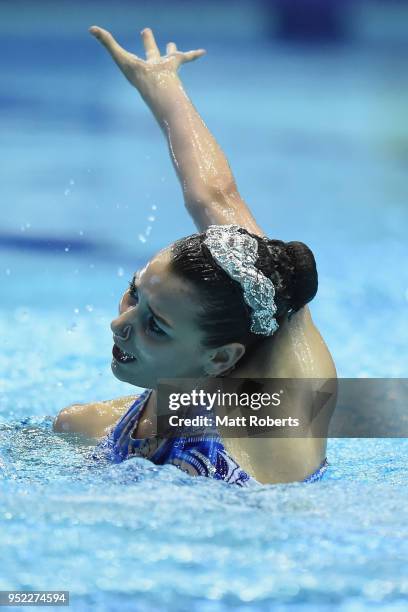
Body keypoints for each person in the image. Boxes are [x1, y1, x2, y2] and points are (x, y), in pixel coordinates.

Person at [53, 26, 337, 486]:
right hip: (158, 424)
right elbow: (216, 199)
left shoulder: (282, 410)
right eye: (133, 296)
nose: (119, 324)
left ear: (221, 358)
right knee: (67, 422)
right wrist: (161, 85)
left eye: (156, 326)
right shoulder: (162, 394)